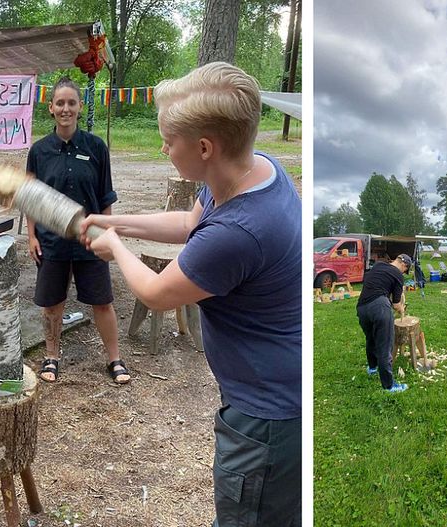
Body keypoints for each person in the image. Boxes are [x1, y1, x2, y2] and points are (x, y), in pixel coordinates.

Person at [79, 63, 301, 525]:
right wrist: (114, 221)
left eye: (167, 140)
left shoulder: (239, 231)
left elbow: (158, 293)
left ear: (204, 148)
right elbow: (186, 224)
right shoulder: (254, 168)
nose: (162, 148)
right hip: (271, 396)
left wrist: (115, 246)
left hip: (266, 416)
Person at [26, 77, 128, 385]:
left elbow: (106, 196)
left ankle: (114, 358)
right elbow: (30, 197)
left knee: (102, 301)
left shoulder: (96, 147)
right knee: (53, 303)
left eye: (72, 102)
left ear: (80, 107)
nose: (66, 108)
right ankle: (52, 356)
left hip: (90, 241)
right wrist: (31, 236)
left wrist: (108, 236)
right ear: (51, 108)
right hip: (52, 242)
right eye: (60, 103)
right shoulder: (39, 151)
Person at [356, 254, 412, 393]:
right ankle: (389, 385)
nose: (404, 273)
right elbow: (396, 304)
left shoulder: (378, 265)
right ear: (404, 265)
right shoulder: (398, 276)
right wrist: (402, 309)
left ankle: (372, 368)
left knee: (371, 339)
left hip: (362, 308)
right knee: (385, 346)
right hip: (380, 307)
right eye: (405, 270)